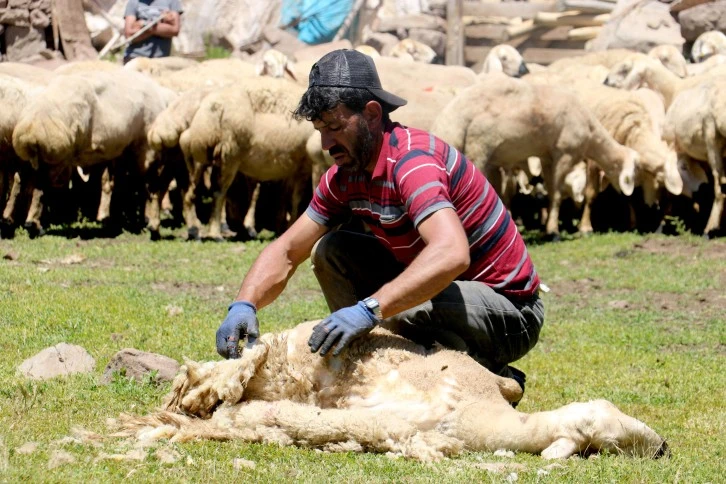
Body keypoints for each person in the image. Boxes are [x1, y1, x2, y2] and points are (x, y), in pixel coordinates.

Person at [215, 49, 544, 396]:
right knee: (332, 251)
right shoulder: (345, 175)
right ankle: (372, 366)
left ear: (371, 114)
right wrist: (244, 304)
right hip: (451, 296)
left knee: (405, 306)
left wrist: (370, 309)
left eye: (336, 127)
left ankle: (488, 376)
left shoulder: (413, 163)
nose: (326, 143)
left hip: (511, 313)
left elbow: (451, 253)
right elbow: (287, 250)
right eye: (319, 129)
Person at [122, 0, 182, 64]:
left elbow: (174, 30)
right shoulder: (133, 2)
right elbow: (129, 35)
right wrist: (160, 23)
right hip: (134, 58)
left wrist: (143, 25)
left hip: (161, 60)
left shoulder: (172, 1)